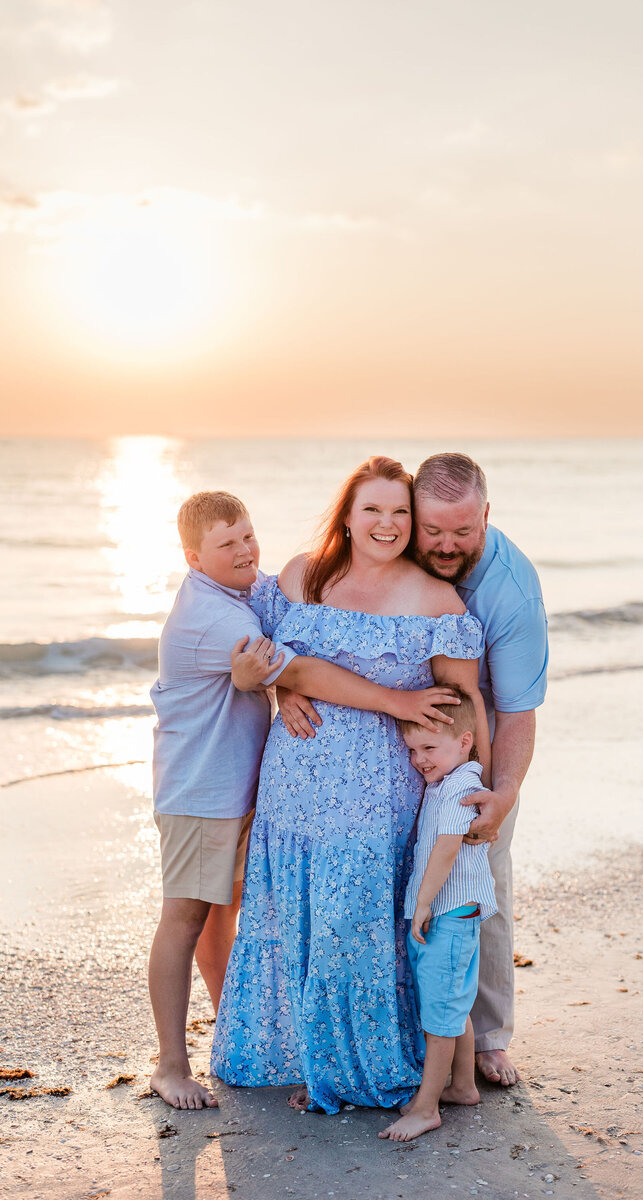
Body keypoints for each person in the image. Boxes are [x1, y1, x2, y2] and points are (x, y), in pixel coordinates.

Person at [149, 489, 459, 1110]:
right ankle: (170, 1065)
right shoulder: (216, 616)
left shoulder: (244, 591)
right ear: (192, 556)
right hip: (201, 792)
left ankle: (237, 1023)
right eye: (226, 544)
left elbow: (283, 636)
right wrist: (300, 685)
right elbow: (300, 668)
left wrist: (270, 687)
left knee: (229, 910)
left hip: (242, 788)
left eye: (246, 536)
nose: (244, 551)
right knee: (186, 918)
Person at [211, 456, 490, 1114]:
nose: (387, 524)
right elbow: (269, 655)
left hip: (378, 790)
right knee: (292, 915)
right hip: (291, 781)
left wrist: (481, 788)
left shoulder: (437, 601)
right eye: (373, 509)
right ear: (348, 514)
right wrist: (284, 684)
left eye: (400, 512)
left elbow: (463, 704)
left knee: (349, 924)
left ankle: (351, 1066)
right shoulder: (301, 575)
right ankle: (297, 1056)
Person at [412, 452, 549, 1087]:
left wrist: (504, 792)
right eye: (432, 530)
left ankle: (489, 1036)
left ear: (486, 516)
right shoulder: (397, 542)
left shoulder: (512, 588)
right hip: (401, 738)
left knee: (480, 884)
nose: (444, 545)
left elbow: (517, 710)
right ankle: (412, 1026)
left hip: (480, 755)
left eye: (462, 532)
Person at [378, 690, 496, 1142]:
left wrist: (423, 903)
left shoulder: (460, 789)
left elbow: (448, 848)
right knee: (452, 1004)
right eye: (412, 749)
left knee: (440, 1015)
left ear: (464, 741)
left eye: (429, 748)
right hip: (457, 914)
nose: (419, 759)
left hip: (446, 912)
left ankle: (426, 1107)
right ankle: (462, 1086)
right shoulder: (449, 782)